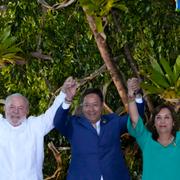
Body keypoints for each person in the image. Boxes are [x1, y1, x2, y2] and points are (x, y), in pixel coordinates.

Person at [53, 77, 145, 180]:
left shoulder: (113, 122)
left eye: (95, 105)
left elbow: (136, 120)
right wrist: (68, 99)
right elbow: (58, 122)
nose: (91, 109)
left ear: (102, 106)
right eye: (87, 105)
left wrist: (136, 94)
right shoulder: (74, 125)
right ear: (82, 107)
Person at [0, 78, 70, 180]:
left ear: (27, 111)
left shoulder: (34, 126)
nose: (16, 111)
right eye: (11, 107)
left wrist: (63, 93)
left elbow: (51, 116)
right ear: (5, 108)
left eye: (20, 108)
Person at [127, 78, 180, 180]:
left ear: (173, 122)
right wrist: (131, 95)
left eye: (167, 117)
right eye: (158, 118)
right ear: (154, 123)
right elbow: (135, 120)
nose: (162, 121)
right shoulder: (146, 140)